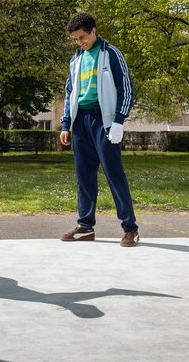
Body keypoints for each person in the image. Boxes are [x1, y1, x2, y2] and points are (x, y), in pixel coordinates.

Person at [59, 13, 139, 246]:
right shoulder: (76, 59)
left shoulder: (111, 53)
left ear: (94, 30)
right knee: (84, 175)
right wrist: (66, 124)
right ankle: (85, 226)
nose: (80, 42)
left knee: (114, 174)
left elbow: (126, 88)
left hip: (104, 123)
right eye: (75, 39)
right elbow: (69, 92)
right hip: (81, 122)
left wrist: (119, 120)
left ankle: (130, 227)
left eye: (83, 37)